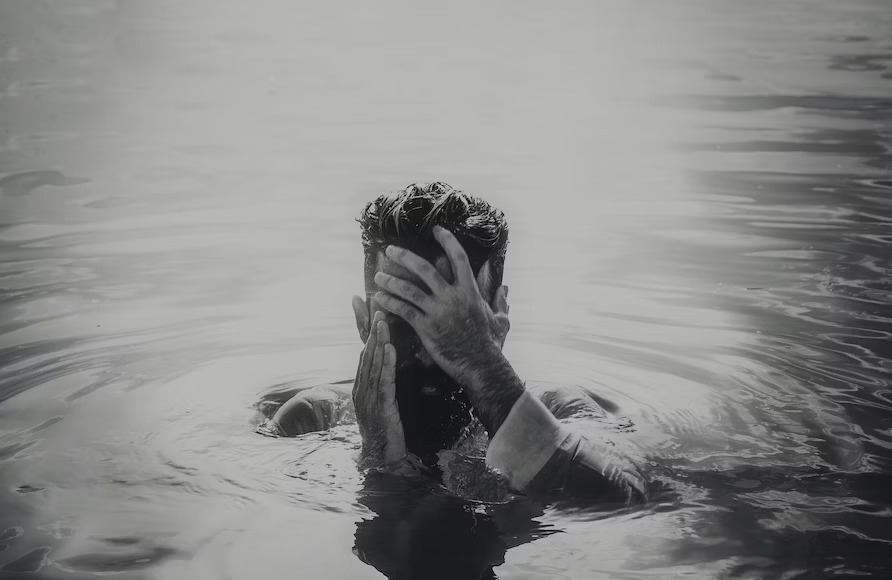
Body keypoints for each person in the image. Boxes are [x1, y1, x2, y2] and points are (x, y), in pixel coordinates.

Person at [267, 182, 647, 503]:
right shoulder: (314, 421)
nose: (430, 353)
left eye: (455, 325)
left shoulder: (562, 414)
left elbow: (623, 497)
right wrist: (380, 459)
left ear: (498, 316)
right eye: (406, 321)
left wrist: (483, 367)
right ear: (363, 323)